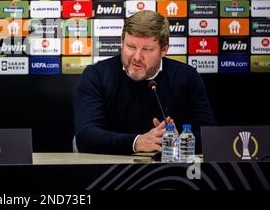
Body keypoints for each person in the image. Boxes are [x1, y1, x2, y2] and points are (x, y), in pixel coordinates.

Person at [74, 10, 215, 155]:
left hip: (170, 171)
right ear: (122, 41)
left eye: (146, 49)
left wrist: (180, 141)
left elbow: (210, 136)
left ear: (164, 49)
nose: (136, 57)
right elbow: (86, 136)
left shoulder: (186, 76)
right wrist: (137, 142)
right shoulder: (97, 75)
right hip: (111, 171)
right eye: (131, 47)